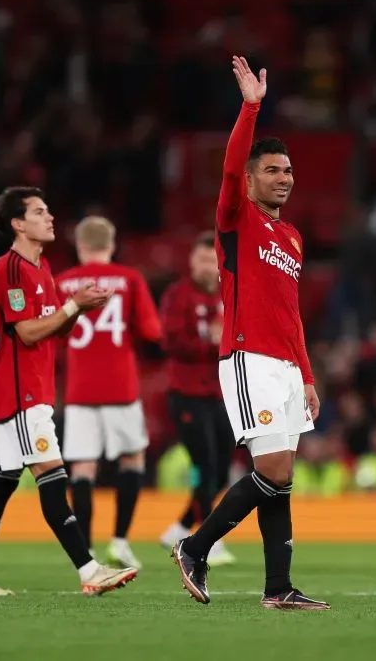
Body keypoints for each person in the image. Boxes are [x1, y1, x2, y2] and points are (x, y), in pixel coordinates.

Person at [171, 57, 328, 611]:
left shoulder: (292, 239)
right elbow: (232, 162)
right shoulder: (237, 218)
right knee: (273, 471)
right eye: (272, 171)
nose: (283, 178)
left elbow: (293, 316)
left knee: (282, 480)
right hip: (248, 358)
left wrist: (307, 375)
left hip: (285, 365)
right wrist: (251, 106)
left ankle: (278, 588)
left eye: (288, 171)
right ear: (252, 178)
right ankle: (194, 546)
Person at [0, 187, 137, 596]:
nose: (49, 217)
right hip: (21, 394)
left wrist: (78, 308)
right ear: (18, 224)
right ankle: (89, 570)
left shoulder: (41, 268)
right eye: (39, 211)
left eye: (48, 210)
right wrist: (72, 307)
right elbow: (28, 331)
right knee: (51, 475)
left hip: (29, 390)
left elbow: (53, 327)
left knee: (0, 483)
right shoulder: (10, 269)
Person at [56, 215, 162, 570]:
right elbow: (151, 331)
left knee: (83, 468)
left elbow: (51, 332)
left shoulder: (64, 282)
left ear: (81, 246)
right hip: (121, 386)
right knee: (132, 459)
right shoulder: (130, 279)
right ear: (112, 245)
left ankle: (86, 554)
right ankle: (119, 540)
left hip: (80, 388)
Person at [158, 231, 237, 567]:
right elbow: (171, 342)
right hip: (187, 393)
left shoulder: (227, 293)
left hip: (220, 393)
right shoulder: (178, 295)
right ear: (191, 261)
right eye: (202, 259)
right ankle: (208, 541)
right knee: (204, 466)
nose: (207, 267)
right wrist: (212, 343)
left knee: (219, 471)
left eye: (212, 260)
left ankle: (177, 528)